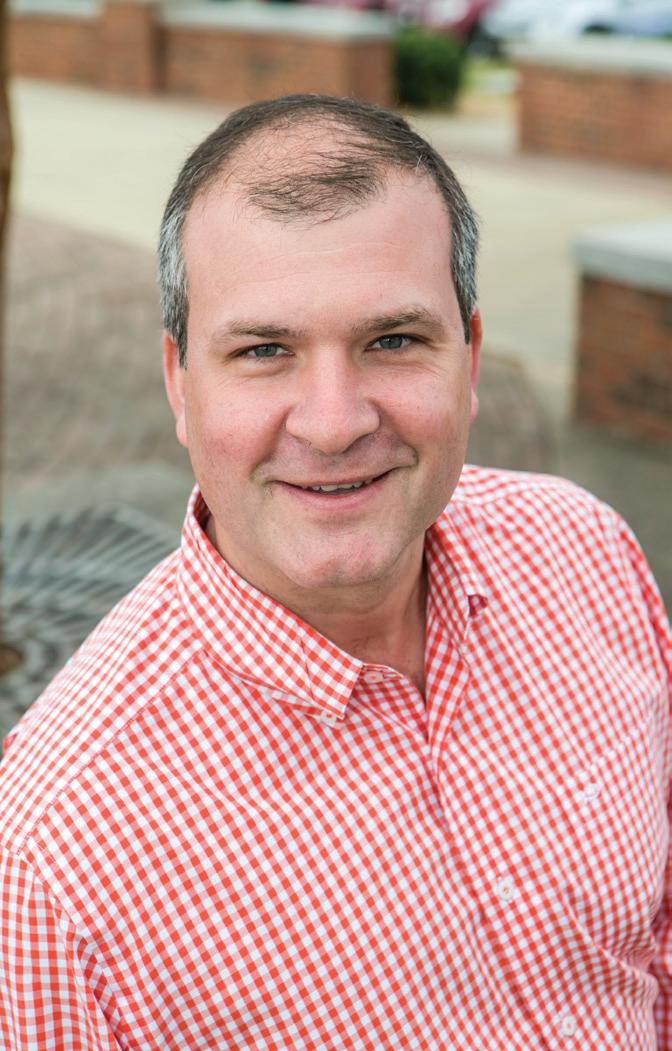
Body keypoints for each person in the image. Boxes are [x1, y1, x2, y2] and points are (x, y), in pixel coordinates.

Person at [0, 94, 670, 1051]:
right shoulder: (57, 854)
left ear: (470, 358)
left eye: (392, 340)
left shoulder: (586, 554)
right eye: (264, 351)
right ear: (180, 382)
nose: (334, 422)